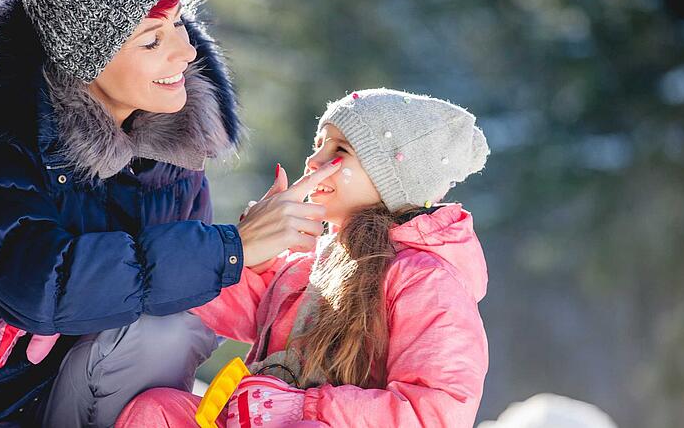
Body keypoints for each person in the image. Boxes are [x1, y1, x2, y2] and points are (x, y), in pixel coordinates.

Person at [0, 0, 339, 426]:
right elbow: (40, 284)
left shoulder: (168, 138)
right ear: (80, 58)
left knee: (168, 330)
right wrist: (229, 247)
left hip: (86, 382)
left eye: (179, 25)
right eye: (153, 39)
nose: (187, 52)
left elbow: (181, 299)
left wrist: (258, 259)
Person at [117, 88, 492, 427]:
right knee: (158, 410)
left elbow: (435, 412)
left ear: (392, 178)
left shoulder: (426, 281)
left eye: (339, 151)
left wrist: (305, 409)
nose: (314, 160)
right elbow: (228, 308)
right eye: (318, 146)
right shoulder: (308, 263)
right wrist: (247, 250)